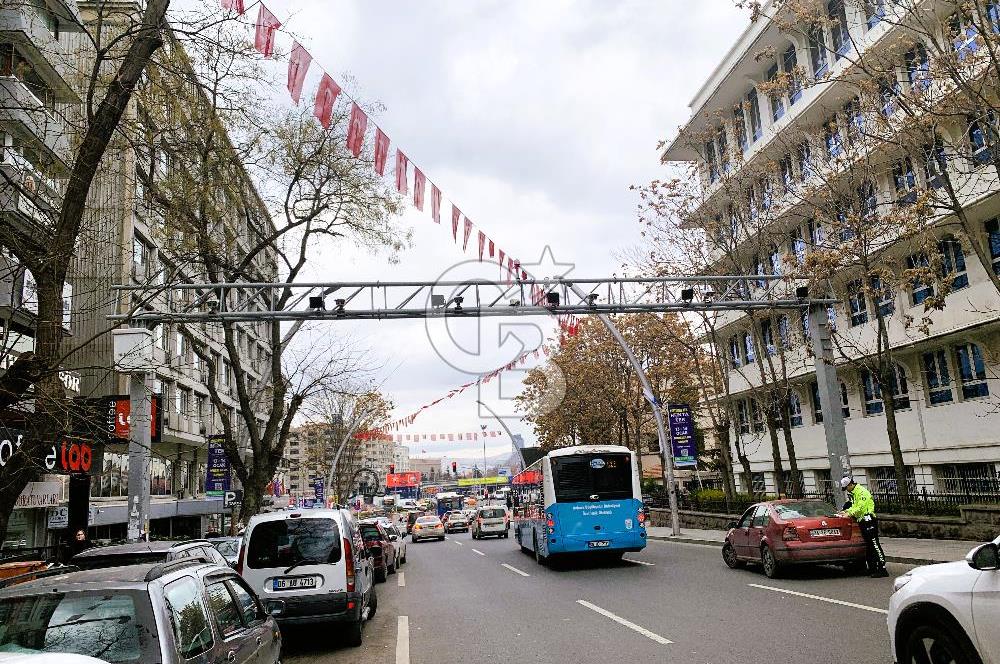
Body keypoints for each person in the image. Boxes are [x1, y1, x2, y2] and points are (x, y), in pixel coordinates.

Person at [836, 477, 887, 578]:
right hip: (863, 521)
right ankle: (872, 568)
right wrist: (845, 511)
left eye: (846, 488)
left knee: (874, 544)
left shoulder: (861, 492)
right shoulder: (855, 493)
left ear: (850, 485)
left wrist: (849, 513)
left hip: (869, 521)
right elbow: (855, 506)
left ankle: (882, 568)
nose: (846, 490)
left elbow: (861, 508)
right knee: (868, 546)